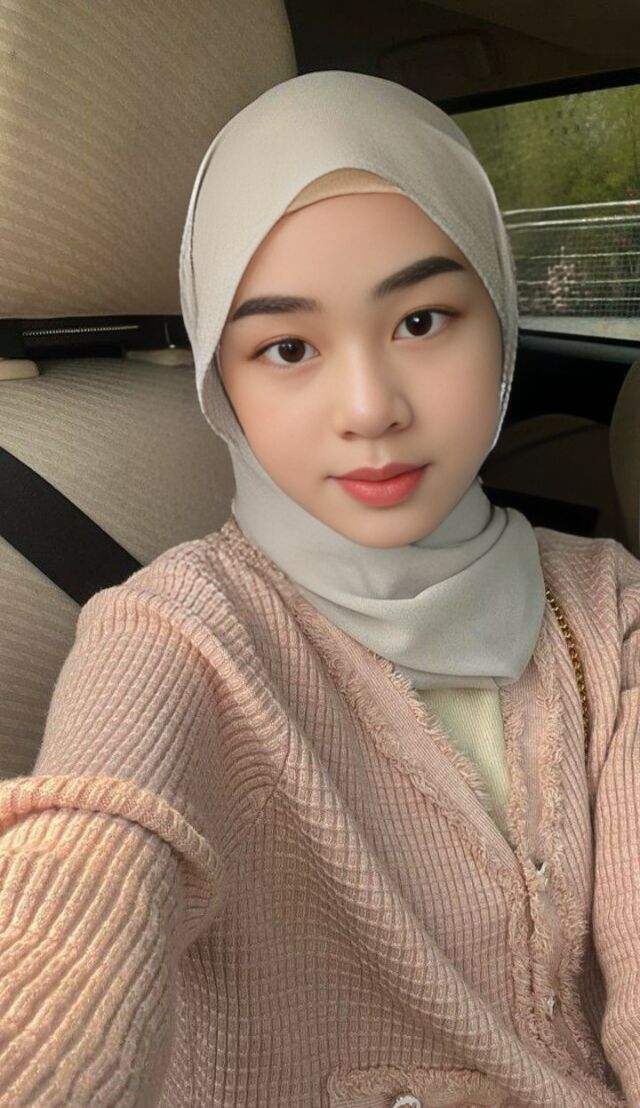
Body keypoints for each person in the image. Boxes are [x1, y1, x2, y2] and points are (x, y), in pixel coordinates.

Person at [0, 69, 638, 1108]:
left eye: (423, 321)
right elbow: (81, 890)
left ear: (502, 317)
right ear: (222, 378)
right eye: (288, 347)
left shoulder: (610, 612)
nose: (370, 407)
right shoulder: (172, 635)